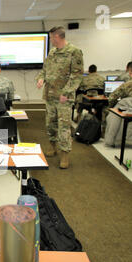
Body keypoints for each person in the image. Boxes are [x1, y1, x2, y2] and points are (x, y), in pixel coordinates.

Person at [36, 26, 84, 169]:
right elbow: (44, 70)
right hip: (50, 95)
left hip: (64, 97)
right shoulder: (52, 52)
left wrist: (67, 92)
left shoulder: (74, 52)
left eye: (51, 37)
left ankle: (65, 155)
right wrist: (40, 79)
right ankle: (52, 146)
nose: (50, 40)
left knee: (63, 126)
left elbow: (77, 75)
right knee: (50, 123)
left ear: (58, 37)